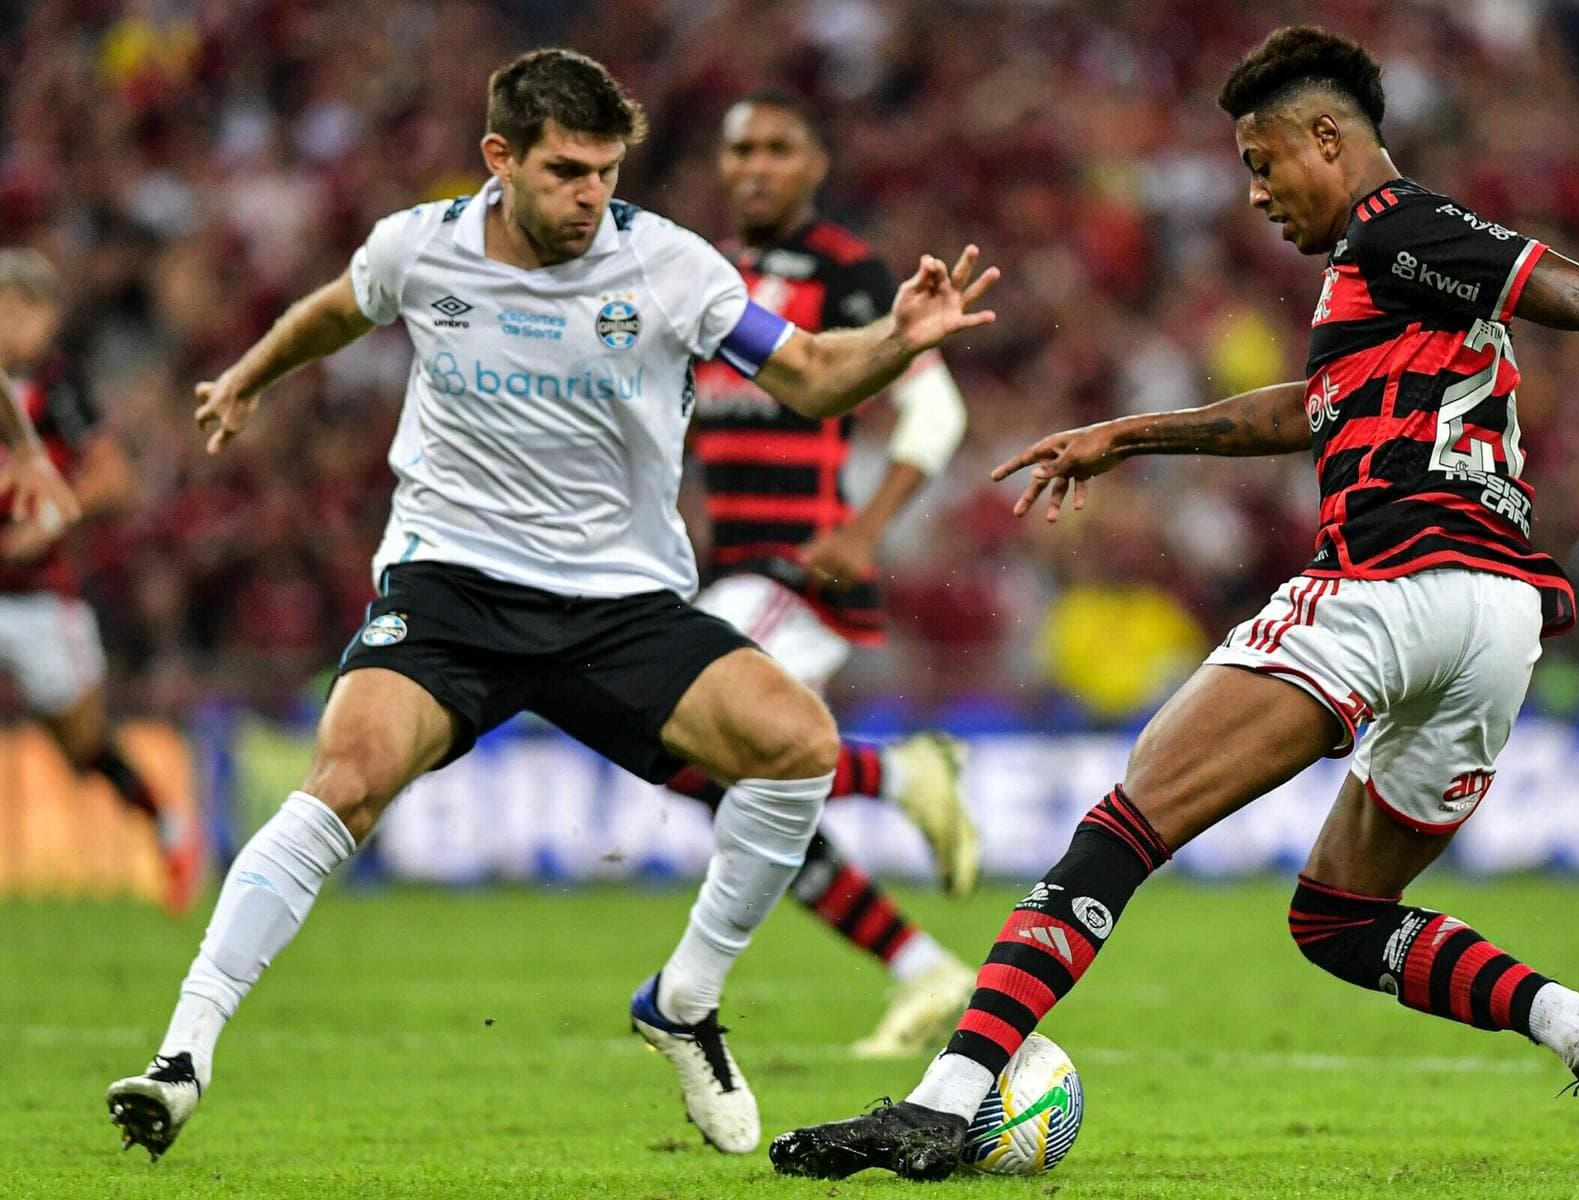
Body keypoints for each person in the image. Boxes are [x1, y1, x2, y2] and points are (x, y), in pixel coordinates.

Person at [770, 25, 1579, 1180]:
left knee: (1121, 829)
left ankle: (945, 1104)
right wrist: (1131, 437)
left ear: (1328, 138)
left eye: (1261, 160)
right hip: (1497, 623)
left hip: (1391, 585)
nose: (1253, 192)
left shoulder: (1395, 227)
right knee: (1338, 918)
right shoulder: (1393, 284)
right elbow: (1312, 408)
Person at [104, 48, 997, 1162]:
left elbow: (811, 373)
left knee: (797, 745)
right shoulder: (420, 248)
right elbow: (340, 310)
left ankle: (681, 1002)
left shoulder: (670, 266)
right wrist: (248, 375)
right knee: (346, 780)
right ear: (500, 159)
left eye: (608, 172)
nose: (594, 197)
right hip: (451, 588)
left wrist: (894, 344)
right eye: (570, 171)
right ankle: (182, 1056)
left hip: (617, 604)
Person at [665, 89, 977, 1059]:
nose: (755, 164)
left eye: (777, 148)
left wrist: (867, 530)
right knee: (740, 791)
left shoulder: (845, 274)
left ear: (813, 166)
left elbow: (937, 415)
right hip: (736, 575)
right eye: (739, 148)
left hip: (805, 572)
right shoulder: (709, 280)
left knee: (678, 723)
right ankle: (923, 969)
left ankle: (899, 773)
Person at [0, 250, 197, 914]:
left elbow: (116, 479)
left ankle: (167, 824)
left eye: (22, 307)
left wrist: (55, 515)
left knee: (82, 747)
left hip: (36, 597)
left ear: (50, 318)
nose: (9, 321)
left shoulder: (59, 391)